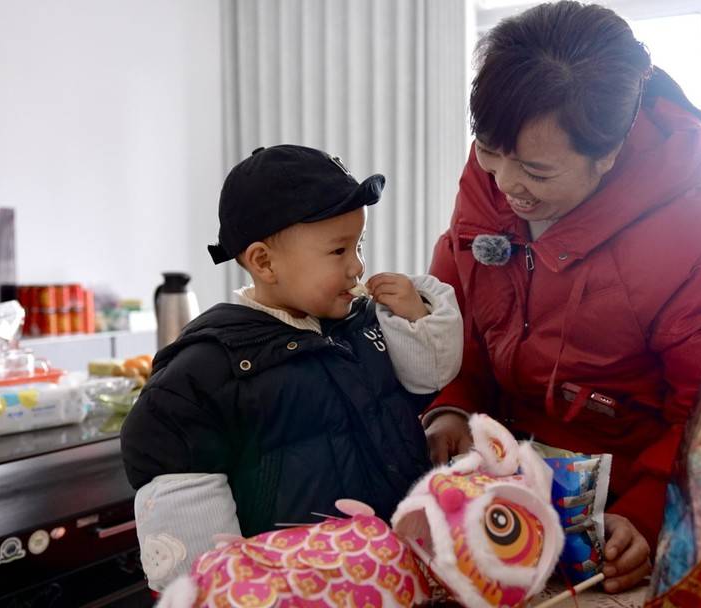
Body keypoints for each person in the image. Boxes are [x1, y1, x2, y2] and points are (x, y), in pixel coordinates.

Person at [424, 1, 701, 593]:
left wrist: (649, 511)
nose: (507, 184)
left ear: (609, 153)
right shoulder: (496, 174)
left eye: (536, 172)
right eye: (490, 152)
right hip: (496, 476)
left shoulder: (695, 235)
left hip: (612, 505)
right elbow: (457, 308)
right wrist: (451, 403)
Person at [121, 145, 462, 591]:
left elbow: (431, 375)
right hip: (299, 591)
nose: (357, 266)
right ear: (264, 262)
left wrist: (417, 316)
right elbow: (189, 528)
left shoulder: (363, 324)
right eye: (338, 250)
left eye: (359, 245)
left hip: (397, 574)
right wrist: (219, 592)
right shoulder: (210, 367)